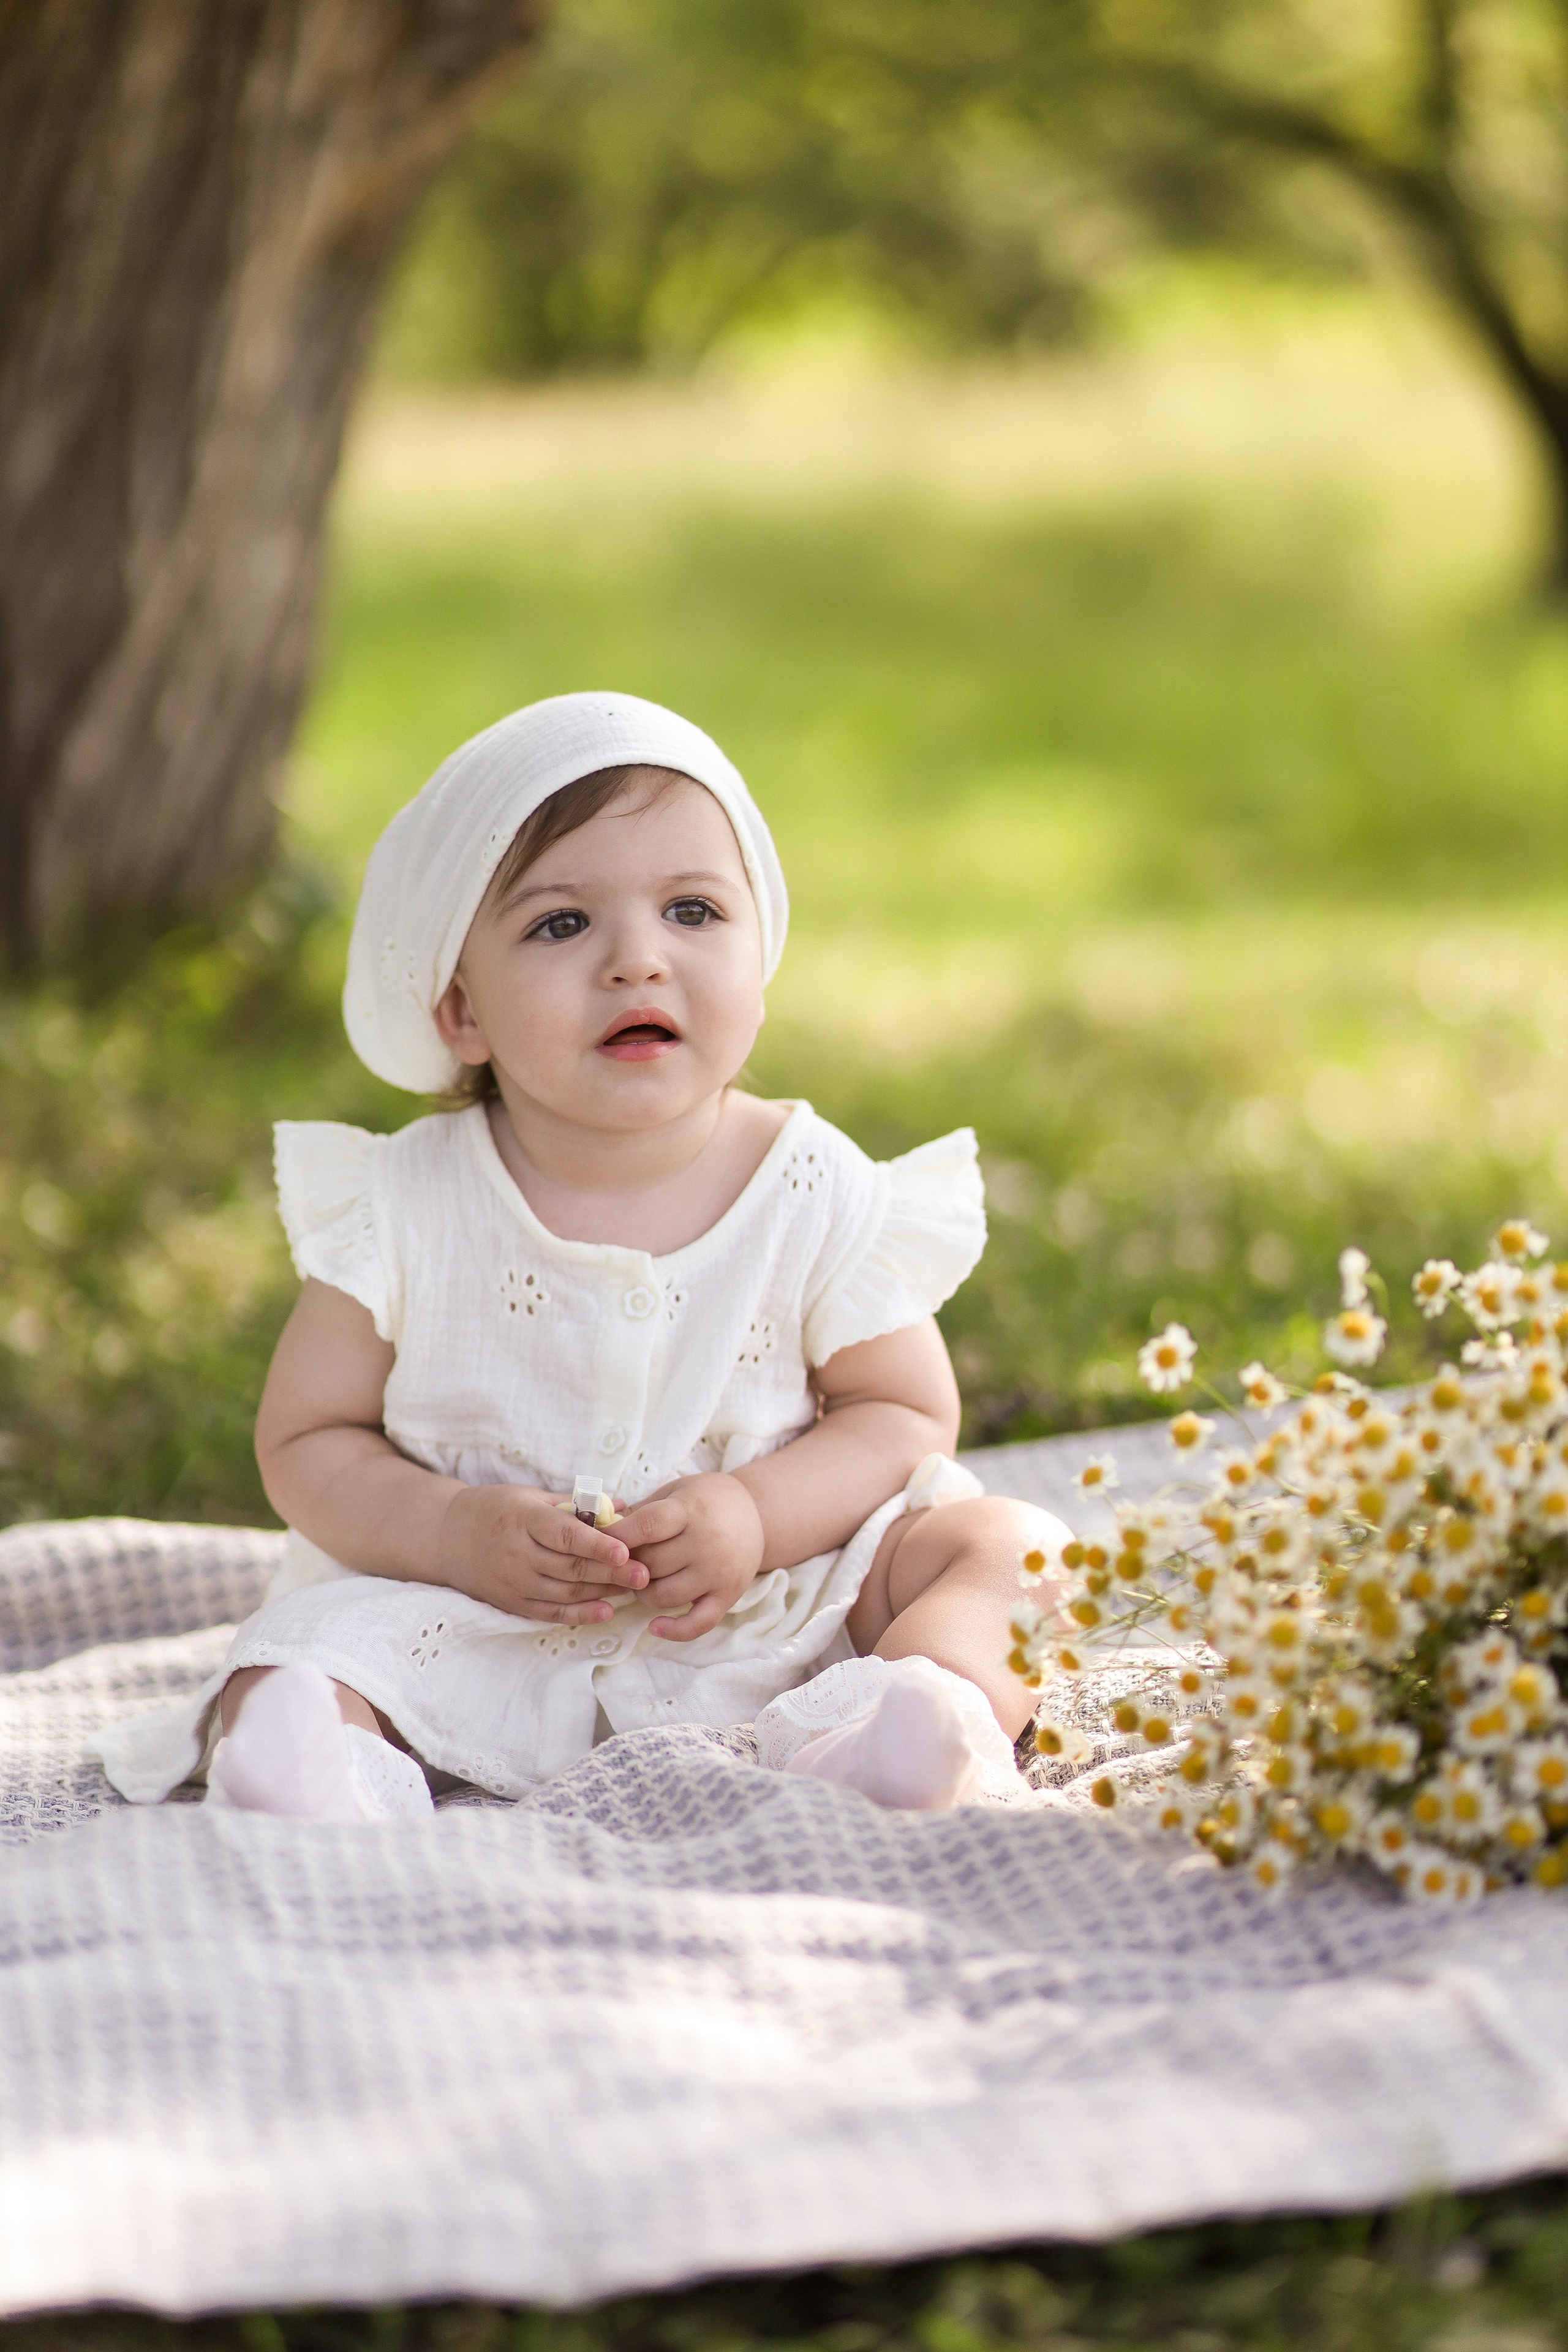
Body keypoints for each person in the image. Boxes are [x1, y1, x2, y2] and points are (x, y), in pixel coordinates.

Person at [91, 693, 1068, 1822]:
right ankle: (321, 1769)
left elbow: (902, 1417)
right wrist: (449, 1532)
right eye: (562, 925)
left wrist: (756, 1514)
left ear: (763, 956)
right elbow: (307, 1438)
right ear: (462, 1013)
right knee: (301, 1651)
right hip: (469, 1614)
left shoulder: (814, 1185)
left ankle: (911, 1716)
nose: (638, 962)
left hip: (771, 1604)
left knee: (1013, 1549)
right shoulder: (408, 1201)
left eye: (694, 910)